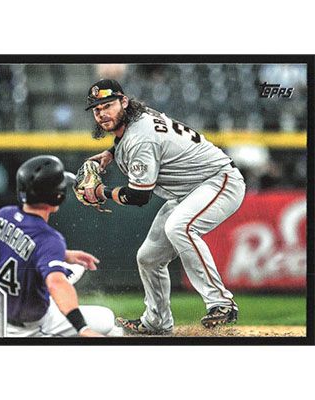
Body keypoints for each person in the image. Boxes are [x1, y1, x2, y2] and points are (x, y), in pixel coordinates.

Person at [82, 79, 246, 334]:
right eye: (97, 109)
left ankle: (221, 302)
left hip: (219, 180)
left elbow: (139, 196)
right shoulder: (139, 116)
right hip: (189, 191)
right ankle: (156, 322)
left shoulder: (140, 140)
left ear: (123, 102)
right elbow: (131, 137)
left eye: (108, 105)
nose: (102, 113)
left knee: (180, 227)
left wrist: (101, 192)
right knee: (149, 258)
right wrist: (111, 153)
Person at [0, 155, 118, 337]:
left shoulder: (4, 214)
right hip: (26, 326)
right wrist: (82, 328)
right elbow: (56, 283)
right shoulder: (49, 238)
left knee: (75, 267)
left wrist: (64, 254)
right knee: (107, 320)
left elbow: (12, 248)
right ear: (57, 196)